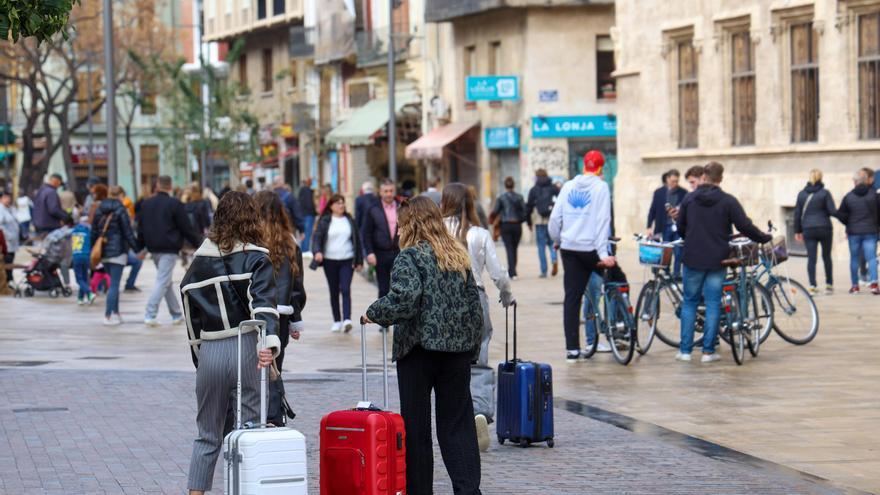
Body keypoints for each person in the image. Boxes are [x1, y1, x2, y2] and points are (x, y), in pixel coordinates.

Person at [364, 196, 484, 495]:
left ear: (411, 224)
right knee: (458, 426)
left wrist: (373, 313)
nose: (399, 232)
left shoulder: (410, 257)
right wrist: (471, 348)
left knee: (417, 429)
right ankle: (468, 490)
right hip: (456, 353)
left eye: (401, 225)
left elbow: (405, 300)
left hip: (418, 352)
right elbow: (474, 306)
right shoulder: (457, 255)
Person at [179, 191, 280, 495]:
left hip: (210, 350)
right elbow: (262, 306)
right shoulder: (256, 258)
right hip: (246, 346)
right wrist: (269, 344)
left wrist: (201, 355)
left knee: (207, 435)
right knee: (247, 432)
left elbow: (189, 315)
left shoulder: (198, 264)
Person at [441, 183, 513, 453]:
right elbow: (498, 273)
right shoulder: (480, 234)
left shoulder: (435, 232)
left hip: (443, 303)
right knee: (479, 360)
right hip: (475, 298)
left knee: (447, 363)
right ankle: (479, 412)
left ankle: (454, 421)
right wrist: (506, 295)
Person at [676, 162, 772, 363]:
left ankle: (685, 351)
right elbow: (744, 225)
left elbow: (680, 228)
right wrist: (763, 238)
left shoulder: (689, 199)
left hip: (692, 258)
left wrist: (692, 237)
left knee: (690, 302)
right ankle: (708, 352)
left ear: (703, 177)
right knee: (712, 303)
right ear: (720, 179)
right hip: (717, 259)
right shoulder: (728, 201)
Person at [549, 150, 616, 363]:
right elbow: (603, 221)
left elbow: (554, 218)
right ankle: (619, 330)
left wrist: (558, 239)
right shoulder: (601, 187)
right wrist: (604, 253)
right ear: (601, 168)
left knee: (572, 297)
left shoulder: (567, 186)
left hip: (569, 249)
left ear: (583, 166)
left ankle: (572, 350)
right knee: (617, 280)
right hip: (591, 250)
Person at [137, 175, 203, 326]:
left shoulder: (146, 204)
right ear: (170, 187)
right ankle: (150, 313)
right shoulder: (174, 204)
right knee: (163, 280)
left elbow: (140, 227)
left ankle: (176, 314)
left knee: (164, 280)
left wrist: (140, 246)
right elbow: (185, 227)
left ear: (157, 185)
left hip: (153, 248)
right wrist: (199, 242)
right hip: (169, 248)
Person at [254, 190, 305, 373]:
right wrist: (295, 319)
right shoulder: (290, 244)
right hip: (280, 317)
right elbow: (296, 287)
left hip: (252, 316)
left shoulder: (249, 242)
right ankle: (273, 401)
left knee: (252, 372)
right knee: (275, 370)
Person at [91, 186, 142, 326]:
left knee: (114, 283)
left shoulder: (99, 209)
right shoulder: (121, 210)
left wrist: (93, 250)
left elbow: (94, 231)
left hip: (103, 252)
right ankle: (108, 315)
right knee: (114, 285)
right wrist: (138, 249)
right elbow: (128, 233)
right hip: (118, 252)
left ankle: (116, 313)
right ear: (120, 195)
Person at [312, 194, 363, 333]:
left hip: (347, 259)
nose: (341, 205)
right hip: (330, 261)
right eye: (338, 203)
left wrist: (359, 260)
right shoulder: (325, 220)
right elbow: (317, 238)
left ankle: (347, 319)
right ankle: (336, 320)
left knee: (345, 289)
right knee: (334, 291)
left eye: (342, 203)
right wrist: (317, 251)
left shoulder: (349, 220)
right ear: (331, 206)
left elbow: (357, 240)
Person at [836, 167, 880, 295]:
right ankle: (874, 285)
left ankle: (855, 286)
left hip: (854, 232)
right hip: (871, 231)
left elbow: (841, 215)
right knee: (871, 258)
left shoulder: (848, 197)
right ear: (867, 181)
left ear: (855, 182)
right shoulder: (874, 195)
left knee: (854, 259)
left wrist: (848, 224)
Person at [794, 169, 837, 295]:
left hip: (808, 229)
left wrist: (797, 231)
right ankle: (829, 284)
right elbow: (832, 211)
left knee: (811, 258)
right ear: (821, 178)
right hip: (824, 228)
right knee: (826, 256)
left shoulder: (801, 194)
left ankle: (812, 285)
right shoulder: (825, 193)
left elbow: (797, 214)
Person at [361, 179, 400, 305]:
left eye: (391, 191)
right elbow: (366, 233)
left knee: (399, 287)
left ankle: (399, 321)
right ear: (380, 192)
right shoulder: (373, 208)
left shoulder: (402, 206)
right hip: (380, 254)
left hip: (399, 253)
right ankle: (384, 322)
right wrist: (370, 253)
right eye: (386, 191)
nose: (389, 194)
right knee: (383, 288)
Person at [647, 169, 688, 278]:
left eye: (677, 181)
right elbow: (653, 210)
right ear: (668, 179)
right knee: (666, 251)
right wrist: (649, 226)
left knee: (678, 251)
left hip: (677, 227)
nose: (675, 183)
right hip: (663, 227)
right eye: (673, 181)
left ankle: (676, 273)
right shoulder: (659, 192)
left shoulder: (683, 193)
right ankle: (666, 271)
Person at [492, 177, 528, 279]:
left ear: (505, 185)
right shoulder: (519, 197)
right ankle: (513, 270)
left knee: (509, 248)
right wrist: (520, 220)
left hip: (505, 225)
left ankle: (512, 272)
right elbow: (525, 212)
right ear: (514, 185)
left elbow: (495, 211)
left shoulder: (501, 197)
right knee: (514, 248)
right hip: (517, 225)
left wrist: (495, 220)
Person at [526, 169, 558, 278]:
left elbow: (529, 206)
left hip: (539, 220)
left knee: (541, 246)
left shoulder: (534, 189)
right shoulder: (553, 188)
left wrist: (529, 222)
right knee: (551, 242)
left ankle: (544, 271)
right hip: (551, 219)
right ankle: (554, 259)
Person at [71, 215, 95, 305]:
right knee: (84, 278)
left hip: (76, 256)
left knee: (79, 279)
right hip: (86, 256)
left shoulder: (74, 231)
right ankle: (80, 298)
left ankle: (89, 293)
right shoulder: (88, 232)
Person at [0, 190, 20, 285]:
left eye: (9, 197)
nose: (8, 199)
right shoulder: (0, 209)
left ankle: (9, 281)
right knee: (7, 262)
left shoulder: (10, 209)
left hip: (12, 242)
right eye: (5, 197)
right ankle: (8, 281)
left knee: (10, 261)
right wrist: (7, 236)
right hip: (6, 242)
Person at [297, 179, 317, 253]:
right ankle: (305, 249)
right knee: (307, 232)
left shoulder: (301, 190)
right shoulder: (307, 191)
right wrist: (314, 212)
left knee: (305, 232)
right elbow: (309, 204)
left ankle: (303, 248)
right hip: (308, 214)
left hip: (303, 214)